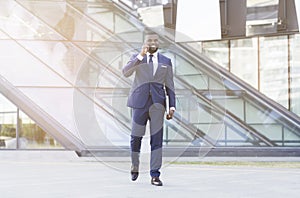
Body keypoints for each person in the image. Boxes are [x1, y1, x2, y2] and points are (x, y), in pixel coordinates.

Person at [122, 32, 176, 186]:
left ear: (159, 42)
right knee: (135, 137)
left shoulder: (166, 61)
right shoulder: (137, 58)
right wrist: (140, 56)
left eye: (155, 40)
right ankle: (135, 164)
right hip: (139, 103)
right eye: (149, 40)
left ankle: (155, 175)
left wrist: (172, 106)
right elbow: (125, 72)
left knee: (157, 140)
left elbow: (170, 85)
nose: (152, 42)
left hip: (158, 105)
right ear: (145, 42)